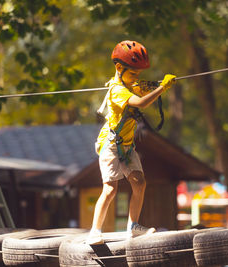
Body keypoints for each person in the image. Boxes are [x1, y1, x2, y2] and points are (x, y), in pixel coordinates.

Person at [87, 40, 176, 245]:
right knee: (110, 189)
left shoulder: (131, 84)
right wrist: (162, 88)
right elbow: (141, 102)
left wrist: (152, 85)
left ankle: (133, 226)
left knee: (139, 182)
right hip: (110, 145)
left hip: (127, 146)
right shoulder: (118, 90)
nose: (137, 78)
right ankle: (95, 231)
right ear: (119, 68)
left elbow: (142, 90)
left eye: (139, 74)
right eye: (133, 73)